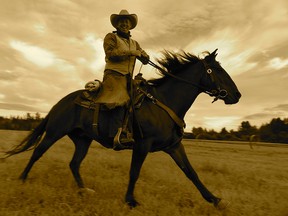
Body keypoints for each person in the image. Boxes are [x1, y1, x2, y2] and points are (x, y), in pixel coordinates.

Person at [101, 9, 149, 150]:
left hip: (127, 77)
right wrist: (132, 53)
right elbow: (110, 54)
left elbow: (144, 56)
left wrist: (145, 57)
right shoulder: (110, 37)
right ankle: (117, 135)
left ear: (130, 24)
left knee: (142, 97)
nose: (124, 23)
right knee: (121, 99)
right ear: (116, 24)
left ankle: (137, 131)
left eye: (127, 21)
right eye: (121, 21)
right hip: (113, 75)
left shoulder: (135, 43)